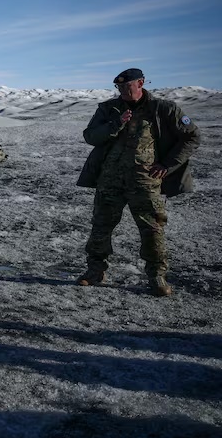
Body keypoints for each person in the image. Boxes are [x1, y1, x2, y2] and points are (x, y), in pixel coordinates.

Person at [76, 68, 200, 296]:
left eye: (127, 86)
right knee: (100, 228)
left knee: (152, 230)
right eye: (119, 87)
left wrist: (167, 165)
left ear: (141, 83)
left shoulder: (163, 109)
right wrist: (115, 124)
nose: (123, 91)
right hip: (110, 180)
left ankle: (157, 277)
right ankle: (95, 271)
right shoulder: (109, 109)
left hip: (145, 181)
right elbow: (90, 136)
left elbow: (191, 136)